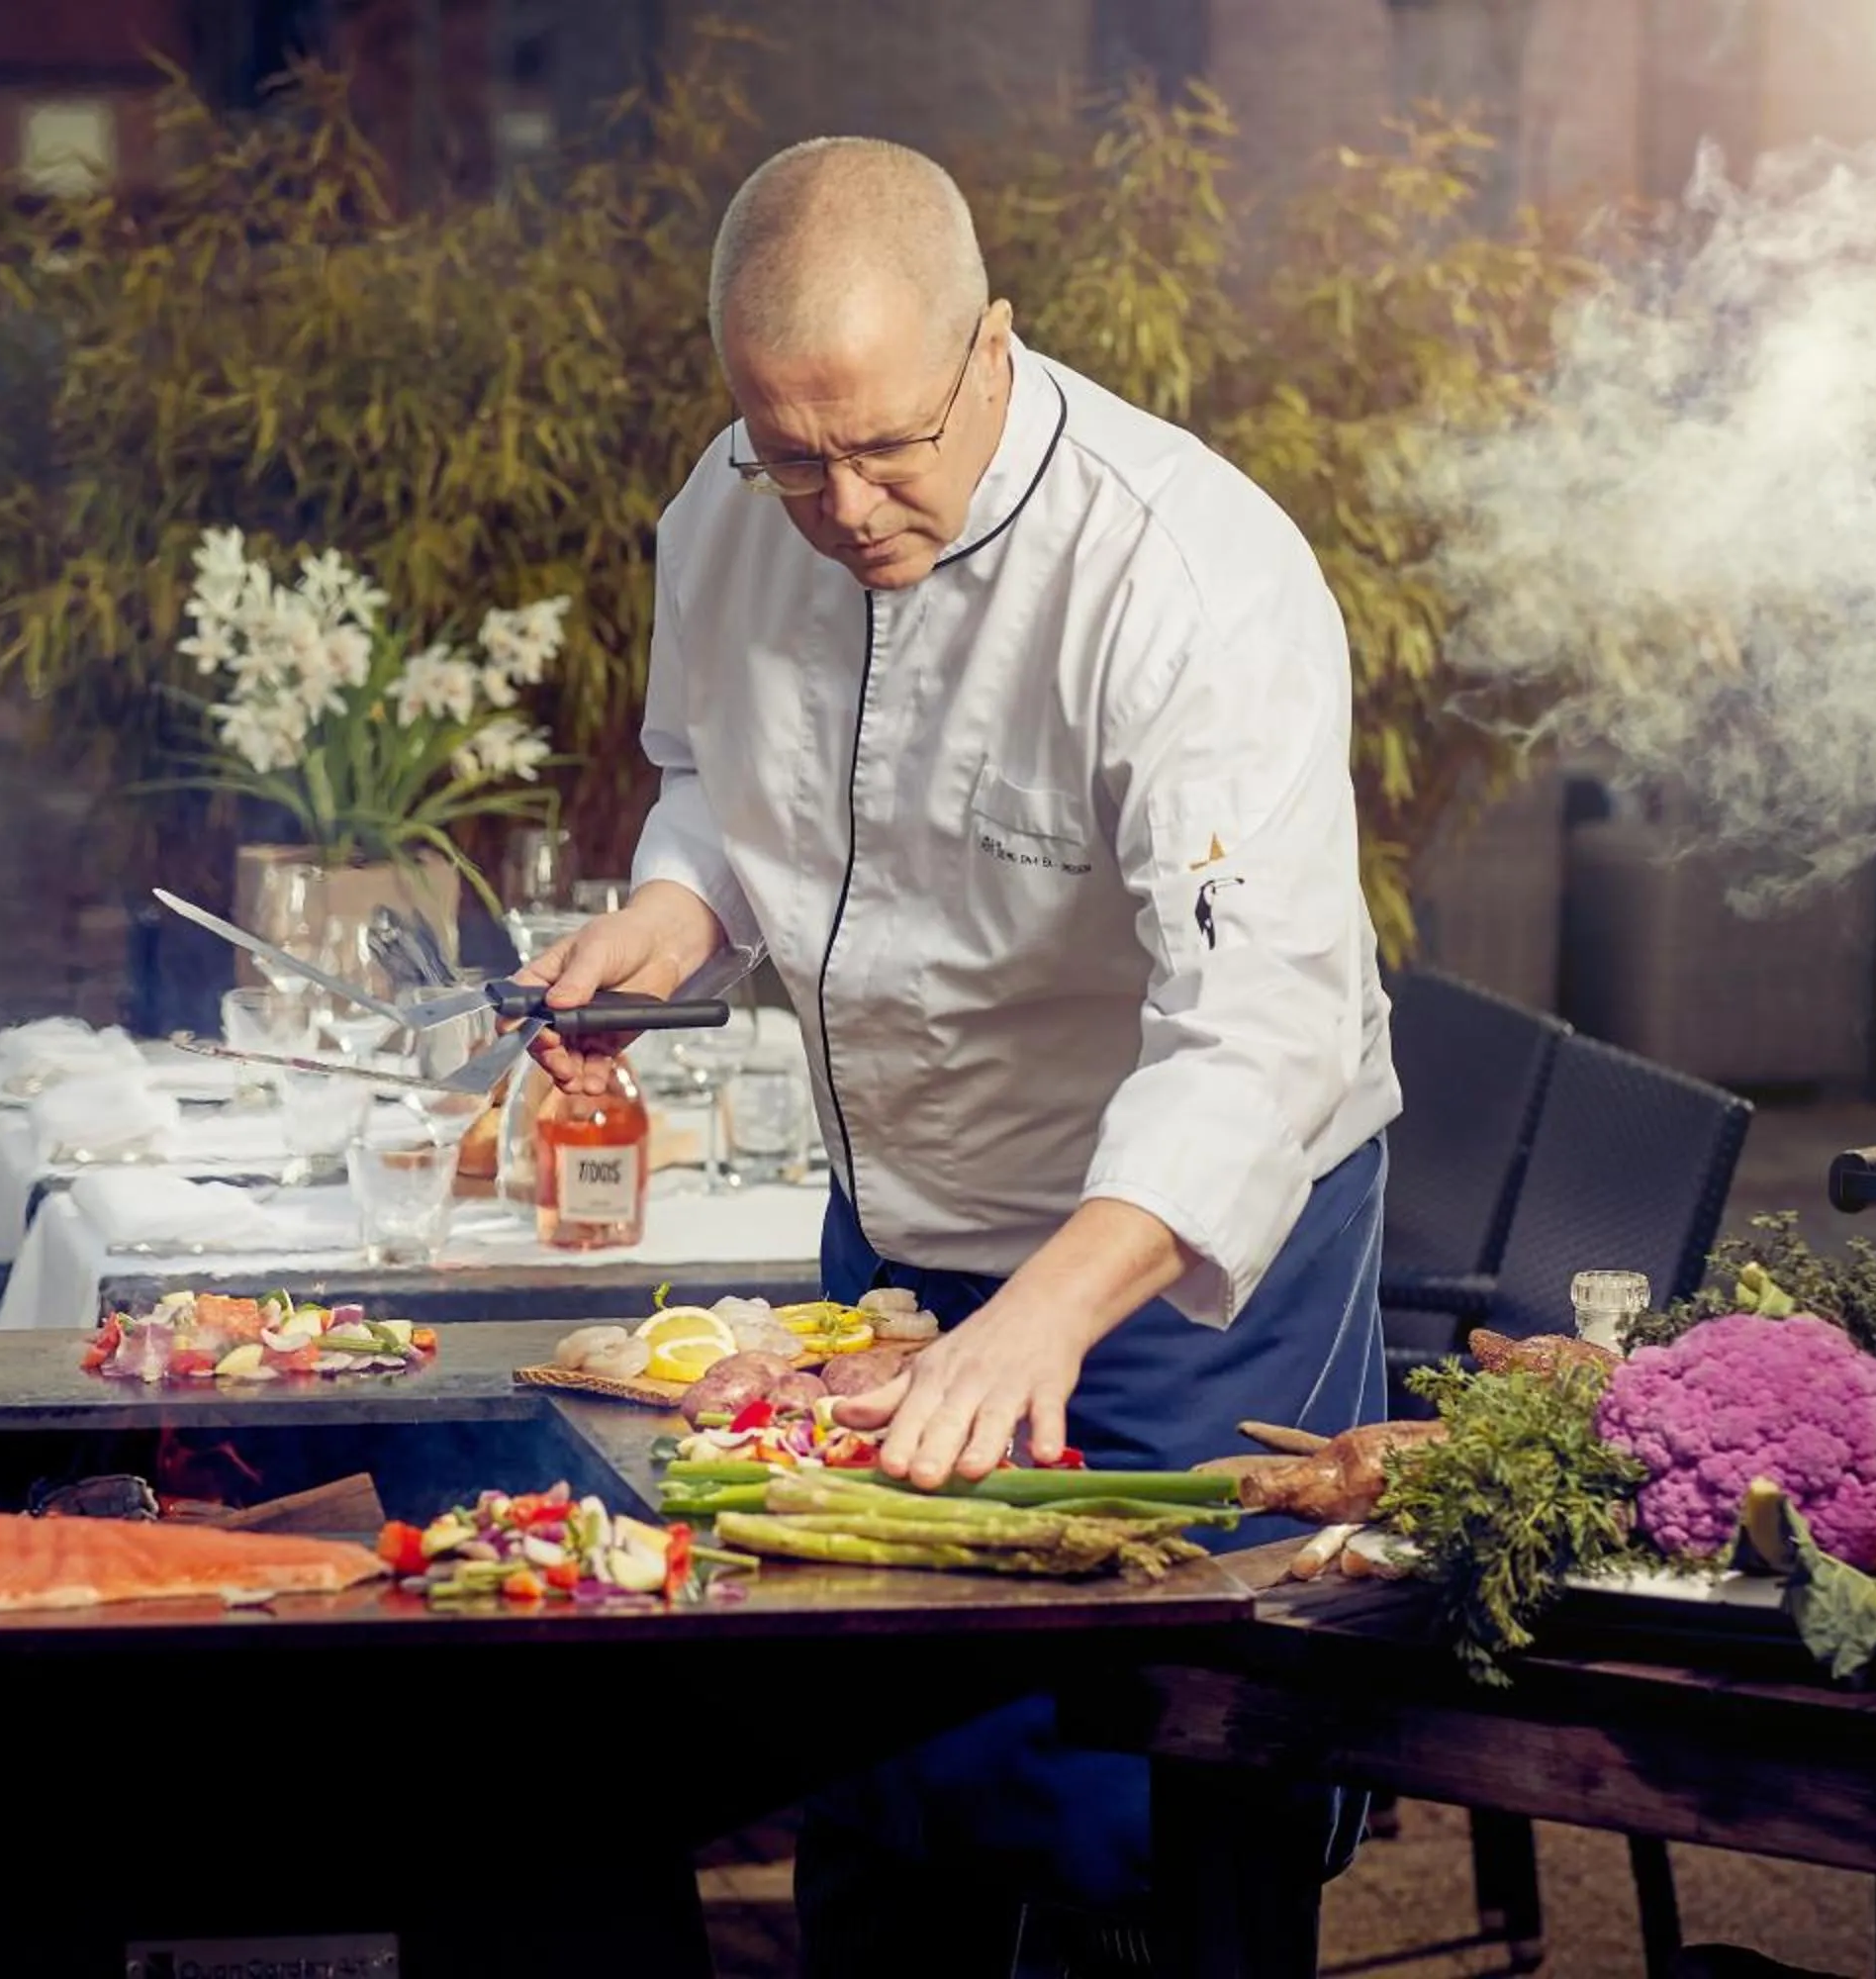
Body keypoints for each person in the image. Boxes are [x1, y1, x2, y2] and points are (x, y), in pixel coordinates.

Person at [518, 136, 1402, 1970]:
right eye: (792, 455)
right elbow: (710, 780)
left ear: (994, 344)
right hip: (901, 1225)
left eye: (888, 447)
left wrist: (1052, 1316)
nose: (839, 505)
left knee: (1156, 1801)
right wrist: (676, 914)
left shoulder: (1188, 577)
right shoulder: (722, 509)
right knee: (879, 1753)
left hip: (1175, 1265)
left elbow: (1261, 1027)